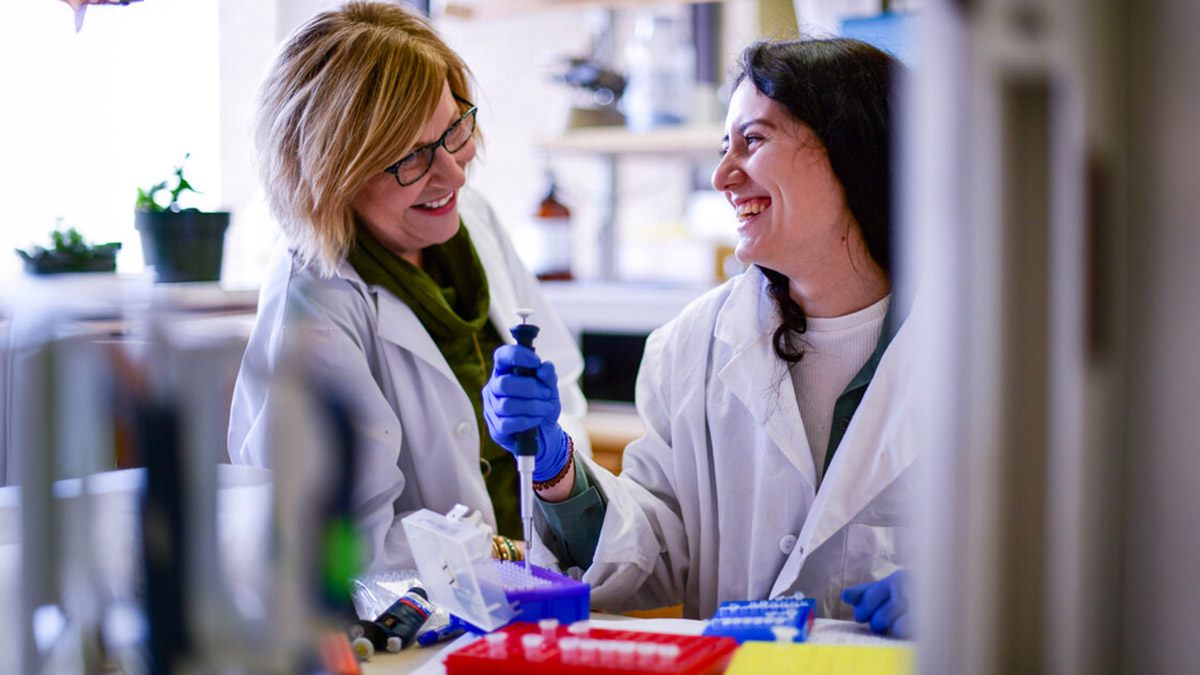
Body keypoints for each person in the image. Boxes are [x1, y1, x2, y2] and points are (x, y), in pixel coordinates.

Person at [483, 37, 916, 636]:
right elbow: (653, 555)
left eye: (754, 141)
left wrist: (969, 591)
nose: (722, 175)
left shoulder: (993, 347)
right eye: (723, 146)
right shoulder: (694, 345)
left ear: (856, 149)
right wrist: (557, 471)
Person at [228, 1, 589, 573]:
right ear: (332, 172)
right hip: (426, 634)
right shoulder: (315, 305)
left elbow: (562, 388)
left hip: (547, 583)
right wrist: (498, 555)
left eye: (453, 130)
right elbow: (333, 549)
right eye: (412, 157)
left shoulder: (470, 217)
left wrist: (559, 479)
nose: (453, 172)